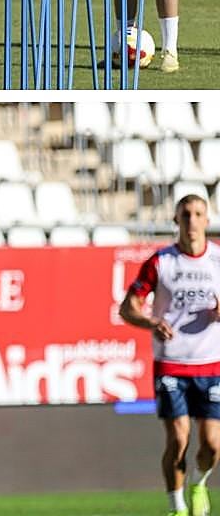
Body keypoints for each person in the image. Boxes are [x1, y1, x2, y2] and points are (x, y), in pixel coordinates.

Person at [120, 194, 217, 516]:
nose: (192, 221)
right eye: (185, 214)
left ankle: (199, 484)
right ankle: (177, 508)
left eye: (198, 214)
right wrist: (150, 322)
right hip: (172, 364)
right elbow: (128, 308)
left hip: (212, 365)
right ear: (176, 220)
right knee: (178, 438)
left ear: (207, 220)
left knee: (212, 444)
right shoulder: (161, 262)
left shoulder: (218, 260)